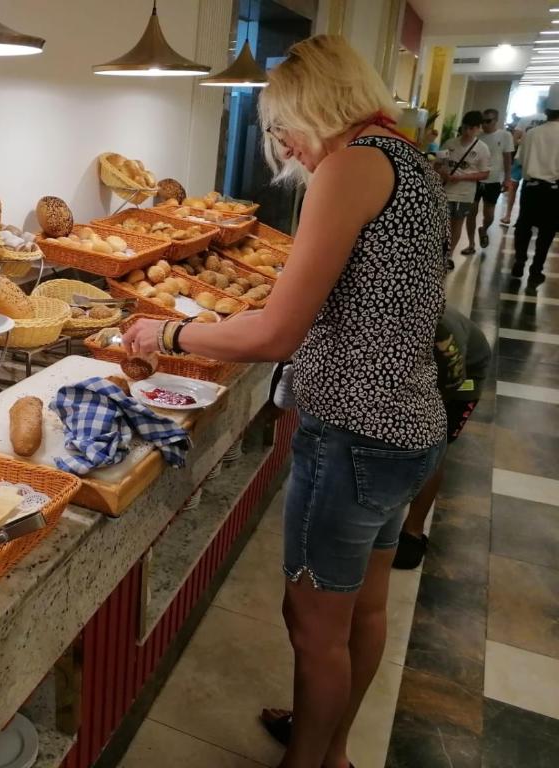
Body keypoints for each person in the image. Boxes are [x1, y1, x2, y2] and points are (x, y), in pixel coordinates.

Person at [122, 35, 447, 768]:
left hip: (352, 439)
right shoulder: (408, 160)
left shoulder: (350, 166)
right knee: (362, 610)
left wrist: (169, 329)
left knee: (311, 624)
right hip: (407, 429)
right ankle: (329, 749)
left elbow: (275, 333)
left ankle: (310, 760)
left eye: (282, 126)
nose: (287, 146)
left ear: (310, 105)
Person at [394, 307, 491, 569]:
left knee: (434, 445)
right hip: (425, 372)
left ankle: (413, 531)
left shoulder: (444, 332)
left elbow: (451, 383)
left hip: (464, 379)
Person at [511, 83, 559, 284]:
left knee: (523, 226)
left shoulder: (532, 133)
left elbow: (521, 161)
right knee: (547, 232)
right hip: (554, 190)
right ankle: (536, 269)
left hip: (530, 188)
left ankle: (519, 262)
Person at [436, 111, 490, 268]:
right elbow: (438, 164)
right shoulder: (449, 143)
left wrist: (462, 177)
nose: (467, 132)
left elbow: (485, 173)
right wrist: (443, 173)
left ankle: (449, 256)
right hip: (445, 190)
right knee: (441, 224)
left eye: (471, 128)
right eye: (465, 127)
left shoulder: (482, 148)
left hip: (464, 194)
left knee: (456, 224)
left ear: (478, 128)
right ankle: (437, 253)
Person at [465, 109, 513, 249]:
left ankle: (484, 229)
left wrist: (507, 178)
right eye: (483, 121)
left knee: (489, 214)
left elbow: (507, 157)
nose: (485, 124)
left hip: (493, 180)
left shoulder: (504, 135)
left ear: (496, 120)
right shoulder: (477, 136)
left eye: (488, 121)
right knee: (471, 212)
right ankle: (471, 244)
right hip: (476, 179)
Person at [500, 127, 523, 226]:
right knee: (513, 188)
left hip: (523, 159)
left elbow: (514, 142)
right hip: (522, 160)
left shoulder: (524, 122)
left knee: (514, 188)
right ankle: (509, 216)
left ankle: (510, 216)